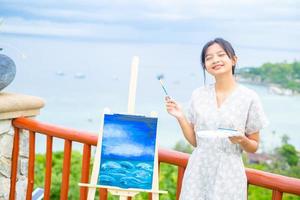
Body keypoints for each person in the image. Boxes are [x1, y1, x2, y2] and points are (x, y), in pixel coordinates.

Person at [165, 38, 268, 200]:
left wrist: (242, 140)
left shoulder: (249, 98)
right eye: (208, 58)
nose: (215, 60)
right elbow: (195, 141)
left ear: (234, 60)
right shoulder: (198, 95)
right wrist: (180, 117)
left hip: (229, 174)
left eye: (221, 55)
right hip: (198, 170)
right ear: (205, 66)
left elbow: (254, 146)